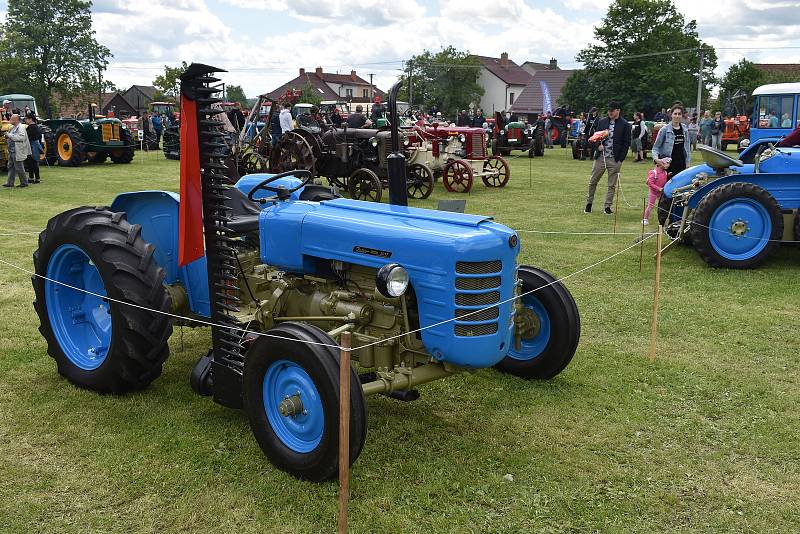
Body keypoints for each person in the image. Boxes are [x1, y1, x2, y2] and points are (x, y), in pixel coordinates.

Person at [584, 101, 631, 215]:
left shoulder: (625, 125)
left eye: (612, 110)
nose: (609, 112)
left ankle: (607, 207)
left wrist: (620, 160)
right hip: (601, 157)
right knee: (592, 181)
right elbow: (595, 137)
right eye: (608, 110)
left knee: (611, 185)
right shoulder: (602, 122)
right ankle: (589, 204)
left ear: (618, 111)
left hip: (614, 159)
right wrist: (597, 146)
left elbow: (626, 143)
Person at [651, 104, 691, 224]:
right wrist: (658, 160)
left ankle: (678, 218)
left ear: (682, 115)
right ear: (671, 115)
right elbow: (655, 148)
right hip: (668, 166)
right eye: (675, 113)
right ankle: (664, 218)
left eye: (679, 114)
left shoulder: (685, 129)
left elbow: (687, 148)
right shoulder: (664, 130)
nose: (677, 116)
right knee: (667, 192)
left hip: (682, 165)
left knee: (681, 191)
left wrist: (688, 163)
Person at [3, 114, 31, 188]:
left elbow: (21, 138)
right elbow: (11, 136)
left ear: (16, 120)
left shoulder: (21, 127)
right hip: (11, 151)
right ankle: (10, 183)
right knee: (11, 167)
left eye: (11, 119)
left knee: (19, 168)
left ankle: (24, 183)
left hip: (17, 151)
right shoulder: (12, 127)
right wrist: (7, 136)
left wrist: (9, 135)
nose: (10, 120)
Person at [642, 157, 671, 225]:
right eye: (667, 163)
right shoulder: (654, 172)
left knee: (663, 205)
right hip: (653, 192)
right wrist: (658, 188)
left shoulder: (665, 172)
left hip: (661, 193)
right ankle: (645, 219)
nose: (668, 165)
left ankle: (663, 219)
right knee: (650, 205)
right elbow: (650, 183)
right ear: (661, 164)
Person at [24, 113, 41, 184]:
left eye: (26, 118)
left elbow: (28, 137)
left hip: (32, 145)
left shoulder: (31, 127)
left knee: (32, 162)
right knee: (32, 162)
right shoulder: (35, 126)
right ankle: (32, 178)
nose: (25, 120)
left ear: (30, 119)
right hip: (34, 145)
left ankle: (36, 178)